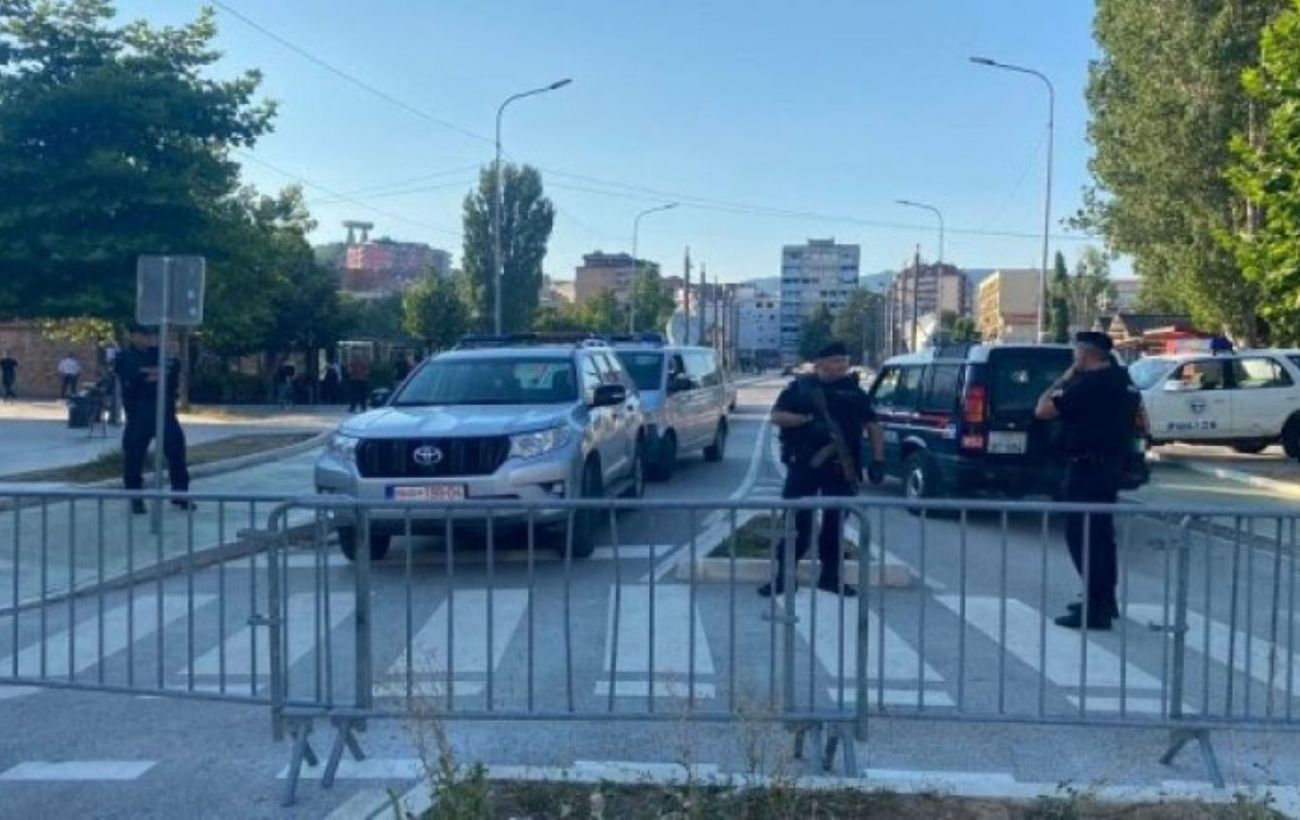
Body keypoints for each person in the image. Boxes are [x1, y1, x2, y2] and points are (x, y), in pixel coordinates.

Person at [761, 341, 886, 598]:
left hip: (841, 468)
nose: (842, 366)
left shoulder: (854, 392)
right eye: (836, 361)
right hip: (803, 466)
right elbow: (776, 416)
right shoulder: (800, 388)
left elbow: (873, 426)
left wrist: (878, 460)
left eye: (844, 361)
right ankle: (784, 577)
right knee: (797, 524)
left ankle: (830, 577)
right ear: (820, 363)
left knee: (834, 526)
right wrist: (806, 420)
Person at [1034, 331, 1141, 630]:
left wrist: (1064, 378)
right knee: (1102, 537)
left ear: (1084, 354)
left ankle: (1095, 609)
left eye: (1075, 353)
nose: (1073, 358)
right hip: (1110, 467)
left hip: (1086, 470)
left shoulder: (1087, 384)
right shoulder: (1122, 379)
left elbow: (1042, 410)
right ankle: (1105, 600)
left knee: (1083, 538)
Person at [115, 323, 192, 515]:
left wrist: (150, 373)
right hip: (138, 414)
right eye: (142, 335)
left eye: (150, 335)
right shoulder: (125, 356)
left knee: (176, 452)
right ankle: (136, 498)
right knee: (134, 456)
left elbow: (173, 370)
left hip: (165, 412)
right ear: (132, 336)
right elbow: (131, 376)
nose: (147, 338)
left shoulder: (161, 355)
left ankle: (180, 494)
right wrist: (155, 373)